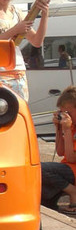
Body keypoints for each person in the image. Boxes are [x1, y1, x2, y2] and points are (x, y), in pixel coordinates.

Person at [41, 86, 76, 215]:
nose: (65, 115)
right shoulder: (72, 125)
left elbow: (72, 158)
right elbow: (61, 152)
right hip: (68, 169)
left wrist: (66, 130)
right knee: (42, 193)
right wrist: (59, 128)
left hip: (73, 170)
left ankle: (73, 193)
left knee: (40, 169)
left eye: (68, 112)